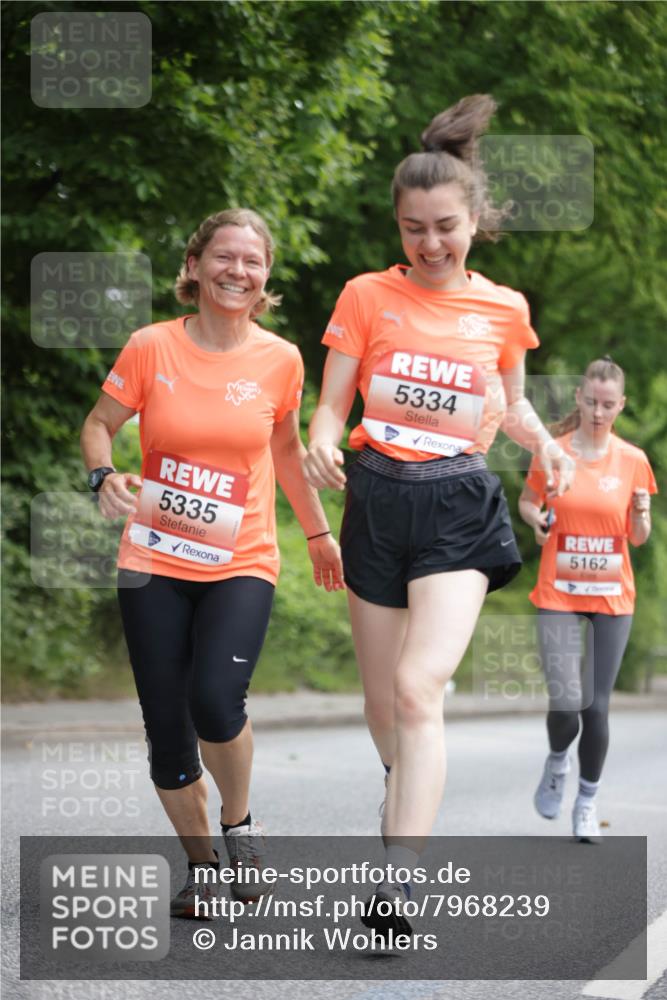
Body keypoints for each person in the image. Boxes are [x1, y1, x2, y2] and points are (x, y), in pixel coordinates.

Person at [303, 94, 574, 937]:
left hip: (458, 501)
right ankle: (405, 804)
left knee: (420, 690)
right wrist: (319, 442)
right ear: (396, 225)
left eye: (444, 227)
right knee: (383, 704)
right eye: (413, 229)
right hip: (376, 500)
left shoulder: (503, 309)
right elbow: (329, 405)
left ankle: (398, 884)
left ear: (473, 221)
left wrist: (547, 446)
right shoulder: (364, 297)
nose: (429, 244)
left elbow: (513, 406)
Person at [80, 208, 344, 918]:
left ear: (265, 278)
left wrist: (318, 534)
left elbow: (285, 451)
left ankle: (239, 823)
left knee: (215, 703)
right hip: (153, 557)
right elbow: (100, 424)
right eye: (224, 257)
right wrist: (103, 477)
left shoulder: (280, 359)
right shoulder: (150, 347)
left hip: (241, 558)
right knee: (166, 726)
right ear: (193, 266)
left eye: (252, 262)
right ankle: (200, 867)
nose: (238, 271)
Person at [519, 357, 656, 843]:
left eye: (608, 405)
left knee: (595, 708)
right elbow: (529, 500)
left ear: (621, 405)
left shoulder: (634, 461)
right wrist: (536, 519)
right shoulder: (554, 452)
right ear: (579, 398)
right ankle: (557, 761)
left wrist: (642, 515)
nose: (599, 412)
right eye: (591, 402)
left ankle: (588, 800)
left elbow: (638, 537)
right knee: (564, 700)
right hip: (558, 589)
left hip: (612, 598)